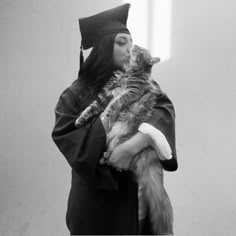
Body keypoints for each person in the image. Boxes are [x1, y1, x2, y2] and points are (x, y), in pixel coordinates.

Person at [51, 3, 178, 235]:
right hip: (97, 203)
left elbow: (163, 110)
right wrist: (109, 118)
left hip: (136, 195)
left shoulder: (143, 84)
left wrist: (134, 145)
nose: (130, 48)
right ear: (102, 47)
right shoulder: (74, 94)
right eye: (121, 42)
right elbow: (72, 142)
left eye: (131, 42)